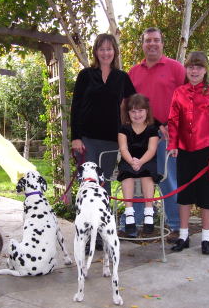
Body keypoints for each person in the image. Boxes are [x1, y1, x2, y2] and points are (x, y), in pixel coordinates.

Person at [70, 33, 136, 251]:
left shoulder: (121, 77)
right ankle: (86, 235)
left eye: (109, 49)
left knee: (104, 184)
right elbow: (76, 107)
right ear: (96, 52)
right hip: (87, 139)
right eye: (102, 49)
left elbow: (136, 105)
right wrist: (76, 137)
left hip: (111, 140)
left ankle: (102, 233)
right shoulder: (85, 75)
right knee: (89, 185)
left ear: (114, 52)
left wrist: (155, 126)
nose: (106, 53)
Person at [167, 51, 209, 255]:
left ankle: (206, 238)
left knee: (207, 196)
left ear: (205, 70)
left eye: (199, 67)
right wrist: (173, 144)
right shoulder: (179, 92)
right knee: (184, 195)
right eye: (191, 67)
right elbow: (173, 120)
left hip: (207, 152)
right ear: (186, 69)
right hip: (184, 151)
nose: (194, 70)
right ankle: (183, 236)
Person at [127, 27, 186, 242]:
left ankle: (177, 226)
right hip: (139, 137)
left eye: (156, 40)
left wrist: (173, 127)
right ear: (142, 44)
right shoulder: (133, 72)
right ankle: (137, 224)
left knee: (167, 180)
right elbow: (128, 105)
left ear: (162, 43)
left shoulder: (176, 69)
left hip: (166, 136)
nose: (152, 44)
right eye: (148, 40)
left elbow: (186, 101)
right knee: (136, 180)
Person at [117, 94, 161, 237]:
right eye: (133, 111)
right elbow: (123, 148)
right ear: (128, 113)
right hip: (129, 159)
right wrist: (131, 161)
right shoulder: (124, 129)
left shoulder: (152, 129)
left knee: (147, 174)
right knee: (126, 175)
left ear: (147, 111)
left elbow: (152, 149)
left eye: (140, 110)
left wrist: (140, 162)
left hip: (147, 160)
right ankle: (129, 213)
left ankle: (149, 213)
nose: (137, 114)